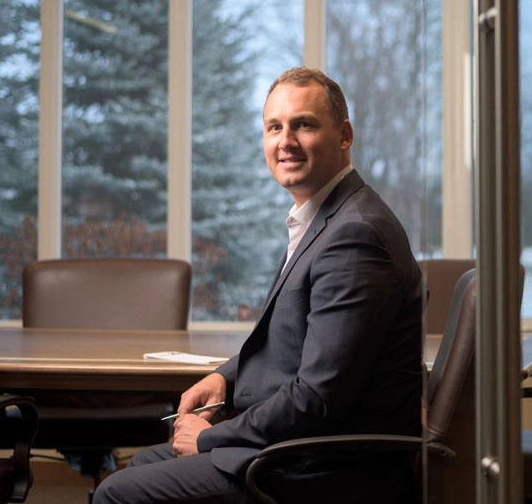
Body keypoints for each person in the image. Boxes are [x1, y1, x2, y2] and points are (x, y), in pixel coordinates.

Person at [93, 67, 424, 504]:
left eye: (303, 125)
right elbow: (287, 342)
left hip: (321, 469)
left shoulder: (354, 236)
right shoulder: (325, 219)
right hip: (302, 450)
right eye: (274, 127)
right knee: (143, 466)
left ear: (344, 135)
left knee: (118, 494)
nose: (285, 141)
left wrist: (212, 438)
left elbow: (318, 398)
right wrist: (224, 379)